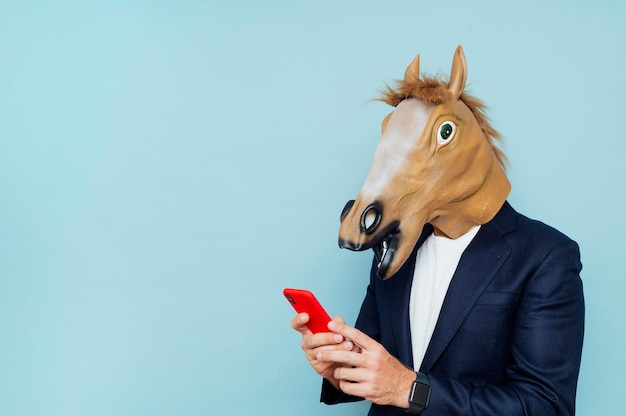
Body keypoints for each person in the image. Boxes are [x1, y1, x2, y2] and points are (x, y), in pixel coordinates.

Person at [290, 46, 584, 415]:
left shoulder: (545, 256)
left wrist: (409, 389)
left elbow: (546, 406)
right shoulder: (397, 247)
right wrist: (338, 369)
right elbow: (377, 365)